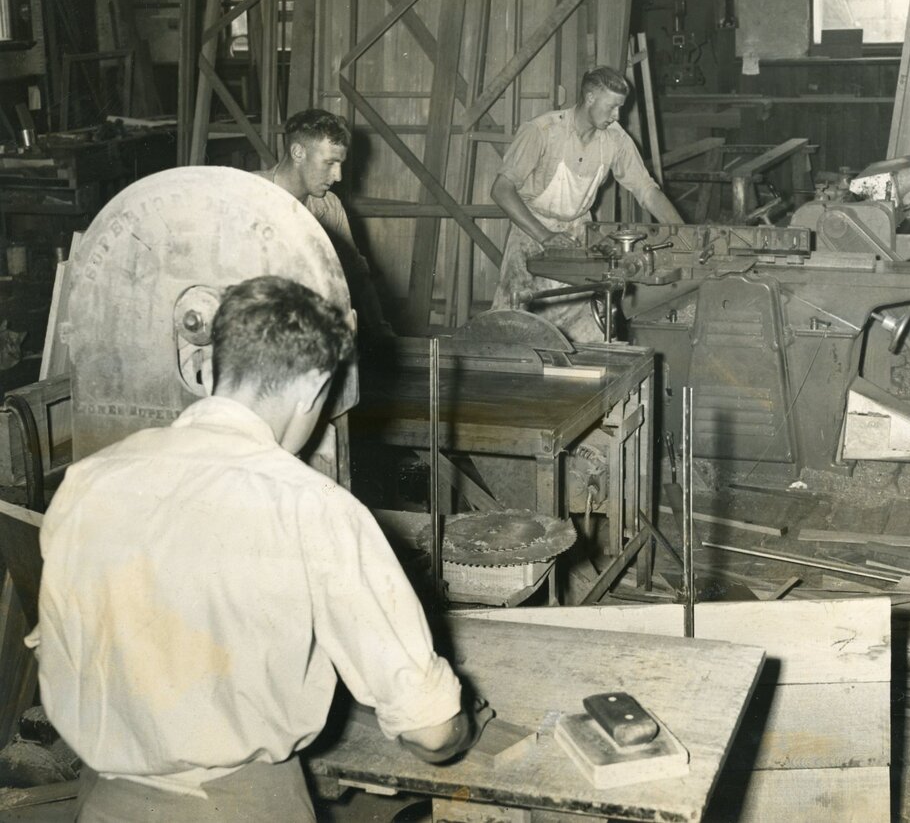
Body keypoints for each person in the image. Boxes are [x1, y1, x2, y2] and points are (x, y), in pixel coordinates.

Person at [32, 275, 473, 821]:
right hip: (237, 806)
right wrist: (457, 729)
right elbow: (429, 732)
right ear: (314, 385)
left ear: (211, 366)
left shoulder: (88, 482)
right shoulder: (312, 507)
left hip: (102, 801)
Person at [490, 66, 683, 342]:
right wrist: (545, 236)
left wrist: (683, 232)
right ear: (590, 98)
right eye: (613, 107)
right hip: (531, 235)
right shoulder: (543, 131)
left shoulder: (615, 139)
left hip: (577, 233)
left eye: (621, 108)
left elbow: (647, 190)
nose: (618, 116)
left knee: (586, 324)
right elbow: (501, 190)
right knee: (515, 324)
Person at [257, 109, 394, 338]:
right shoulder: (247, 195)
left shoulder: (329, 207)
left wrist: (381, 330)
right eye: (329, 163)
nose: (338, 176)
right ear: (298, 152)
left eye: (340, 164)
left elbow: (357, 275)